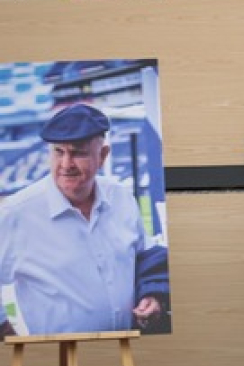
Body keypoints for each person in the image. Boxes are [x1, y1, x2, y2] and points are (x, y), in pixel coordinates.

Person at [0, 104, 167, 337]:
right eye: (59, 152)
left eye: (78, 153)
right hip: (57, 354)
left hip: (125, 349)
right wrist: (5, 331)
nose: (66, 164)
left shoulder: (121, 197)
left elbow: (145, 257)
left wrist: (152, 295)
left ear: (103, 156)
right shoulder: (17, 213)